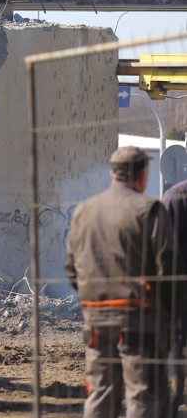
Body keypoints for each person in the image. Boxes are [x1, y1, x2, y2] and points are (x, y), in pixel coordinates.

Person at [65, 146, 184, 418]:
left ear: (112, 174)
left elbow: (71, 267)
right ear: (143, 175)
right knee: (142, 393)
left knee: (100, 391)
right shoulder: (149, 209)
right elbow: (168, 267)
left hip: (95, 315)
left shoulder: (84, 211)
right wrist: (168, 313)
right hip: (138, 315)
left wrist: (91, 298)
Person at [163, 178, 187, 417]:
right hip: (179, 287)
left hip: (178, 287)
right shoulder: (175, 196)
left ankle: (174, 395)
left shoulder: (173, 195)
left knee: (176, 342)